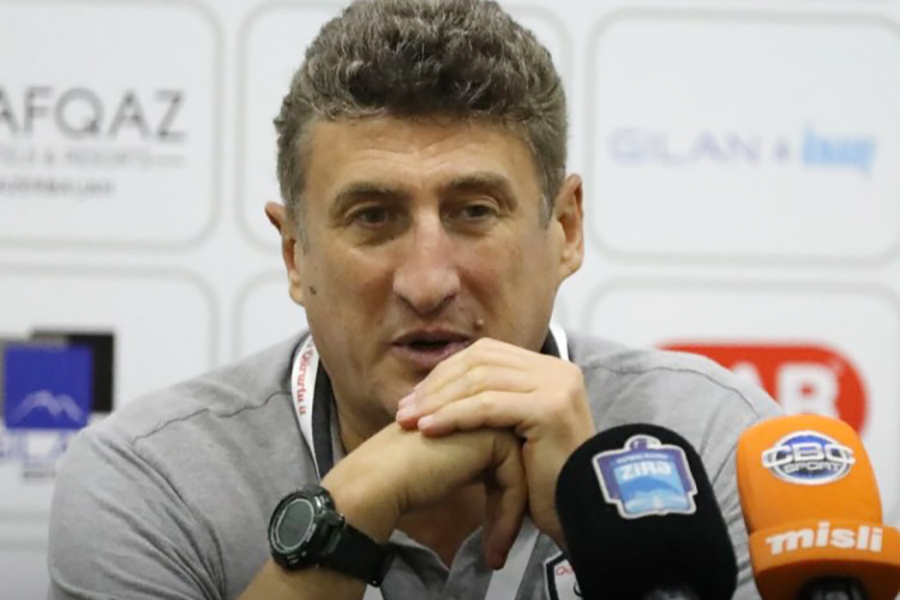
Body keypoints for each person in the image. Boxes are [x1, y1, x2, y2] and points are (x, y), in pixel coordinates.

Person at [47, 0, 780, 598]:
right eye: (373, 217)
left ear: (564, 229)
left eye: (474, 212)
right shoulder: (153, 478)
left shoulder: (710, 440)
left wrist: (605, 539)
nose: (428, 282)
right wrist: (352, 511)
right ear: (295, 254)